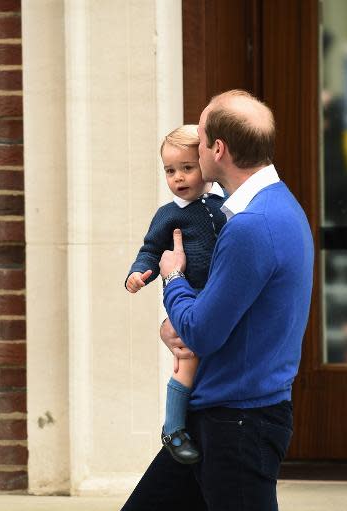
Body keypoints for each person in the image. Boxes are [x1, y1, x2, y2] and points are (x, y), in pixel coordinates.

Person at [122, 90, 314, 511]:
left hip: (238, 423)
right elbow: (219, 314)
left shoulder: (251, 225)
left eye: (201, 137)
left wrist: (172, 277)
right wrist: (173, 324)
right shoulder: (276, 206)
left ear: (218, 149)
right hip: (222, 413)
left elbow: (203, 332)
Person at [125, 124, 227, 464]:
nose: (178, 178)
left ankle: (204, 420)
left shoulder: (225, 204)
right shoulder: (169, 214)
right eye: (170, 171)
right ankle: (174, 427)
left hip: (221, 297)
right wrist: (138, 274)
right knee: (187, 357)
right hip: (190, 298)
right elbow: (151, 250)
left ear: (207, 162)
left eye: (187, 167)